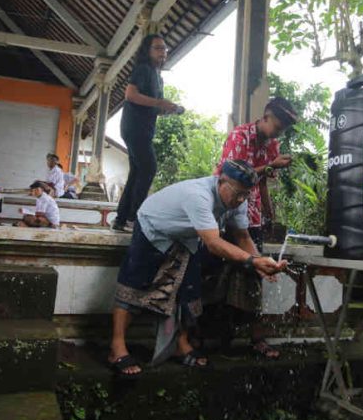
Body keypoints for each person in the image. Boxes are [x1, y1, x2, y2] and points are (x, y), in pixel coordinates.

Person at [108, 160, 287, 377]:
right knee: (133, 287)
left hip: (188, 238)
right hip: (154, 229)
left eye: (245, 195)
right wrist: (252, 261)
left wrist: (259, 263)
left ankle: (179, 345)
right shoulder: (198, 195)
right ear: (221, 181)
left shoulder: (238, 200)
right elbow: (213, 242)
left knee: (188, 291)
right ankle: (116, 347)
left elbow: (242, 235)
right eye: (237, 193)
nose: (240, 200)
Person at [203, 97, 298, 359]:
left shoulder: (272, 143)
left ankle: (257, 337)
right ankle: (218, 337)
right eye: (276, 127)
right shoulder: (240, 136)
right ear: (265, 117)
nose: (277, 134)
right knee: (222, 272)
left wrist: (268, 209)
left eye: (281, 131)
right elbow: (230, 175)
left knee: (255, 273)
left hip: (251, 216)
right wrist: (271, 165)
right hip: (228, 210)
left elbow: (263, 181)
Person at [111, 34, 181, 232]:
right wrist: (160, 103)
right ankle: (134, 218)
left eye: (164, 48)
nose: (162, 52)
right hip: (135, 127)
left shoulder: (157, 77)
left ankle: (121, 219)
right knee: (149, 168)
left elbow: (152, 106)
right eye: (157, 48)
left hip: (142, 129)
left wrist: (167, 109)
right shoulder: (143, 69)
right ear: (147, 51)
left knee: (137, 172)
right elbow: (130, 95)